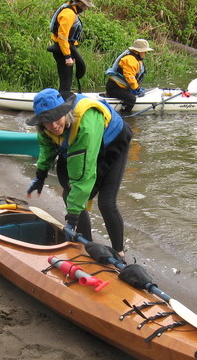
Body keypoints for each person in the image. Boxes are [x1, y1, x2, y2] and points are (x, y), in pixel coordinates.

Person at [25, 88, 132, 255]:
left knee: (106, 203)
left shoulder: (85, 123)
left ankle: (119, 252)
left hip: (113, 142)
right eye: (46, 121)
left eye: (55, 118)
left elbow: (84, 175)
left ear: (65, 112)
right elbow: (47, 149)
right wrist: (40, 176)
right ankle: (86, 245)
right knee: (69, 194)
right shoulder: (46, 129)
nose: (53, 125)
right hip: (84, 144)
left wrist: (72, 218)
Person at [48, 0, 95, 98]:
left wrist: (71, 54)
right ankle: (63, 102)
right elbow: (63, 37)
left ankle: (65, 96)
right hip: (62, 49)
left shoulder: (71, 10)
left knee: (79, 68)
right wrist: (67, 56)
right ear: (78, 3)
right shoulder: (68, 14)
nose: (86, 8)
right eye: (84, 6)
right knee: (66, 80)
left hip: (67, 47)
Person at [105, 38, 153, 115]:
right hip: (114, 88)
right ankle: (123, 115)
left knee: (132, 95)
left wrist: (137, 88)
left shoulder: (135, 58)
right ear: (138, 52)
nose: (146, 53)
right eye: (145, 51)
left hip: (120, 87)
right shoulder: (130, 60)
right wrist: (137, 89)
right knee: (131, 99)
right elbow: (130, 77)